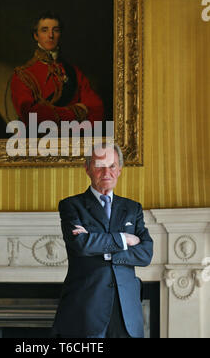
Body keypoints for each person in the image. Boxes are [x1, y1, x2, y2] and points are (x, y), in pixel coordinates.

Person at [52, 143, 153, 338]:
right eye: (100, 165)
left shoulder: (133, 208)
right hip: (85, 310)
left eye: (112, 165)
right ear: (87, 168)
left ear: (120, 170)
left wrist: (98, 245)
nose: (107, 172)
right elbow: (81, 245)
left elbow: (145, 254)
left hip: (127, 313)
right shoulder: (71, 206)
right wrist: (124, 239)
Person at [10, 11, 104, 127]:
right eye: (44, 30)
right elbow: (31, 118)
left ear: (60, 34)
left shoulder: (74, 72)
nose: (51, 35)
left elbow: (96, 109)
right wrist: (76, 112)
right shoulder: (23, 75)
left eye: (55, 30)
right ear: (36, 36)